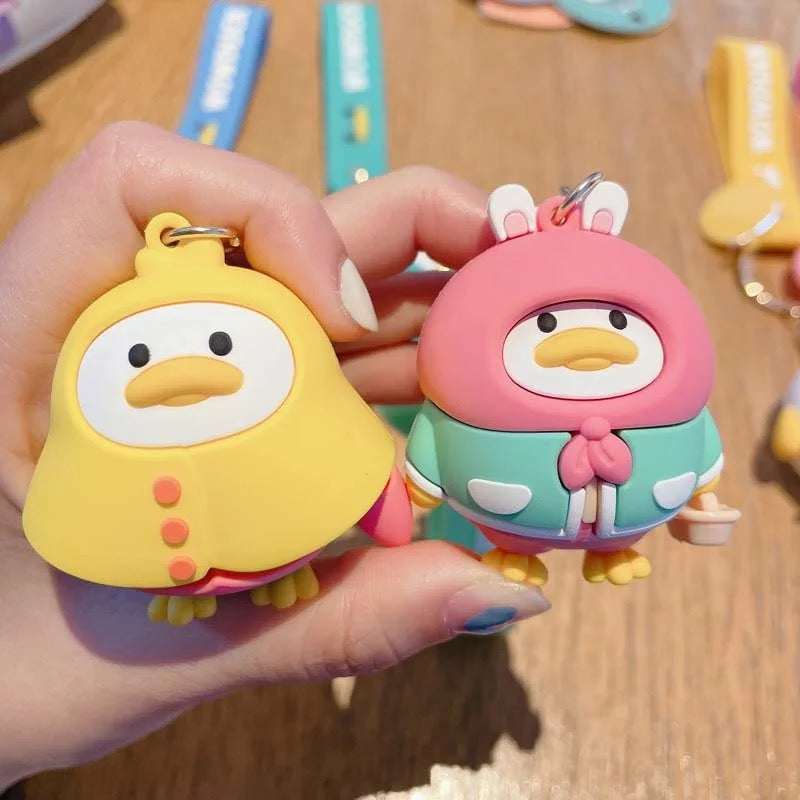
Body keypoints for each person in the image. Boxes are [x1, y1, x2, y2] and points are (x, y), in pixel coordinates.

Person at [0, 121, 550, 791]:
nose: (177, 370)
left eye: (222, 345)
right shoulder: (82, 440)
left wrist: (390, 510)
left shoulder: (307, 402)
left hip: (283, 552)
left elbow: (361, 467)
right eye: (137, 356)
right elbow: (64, 513)